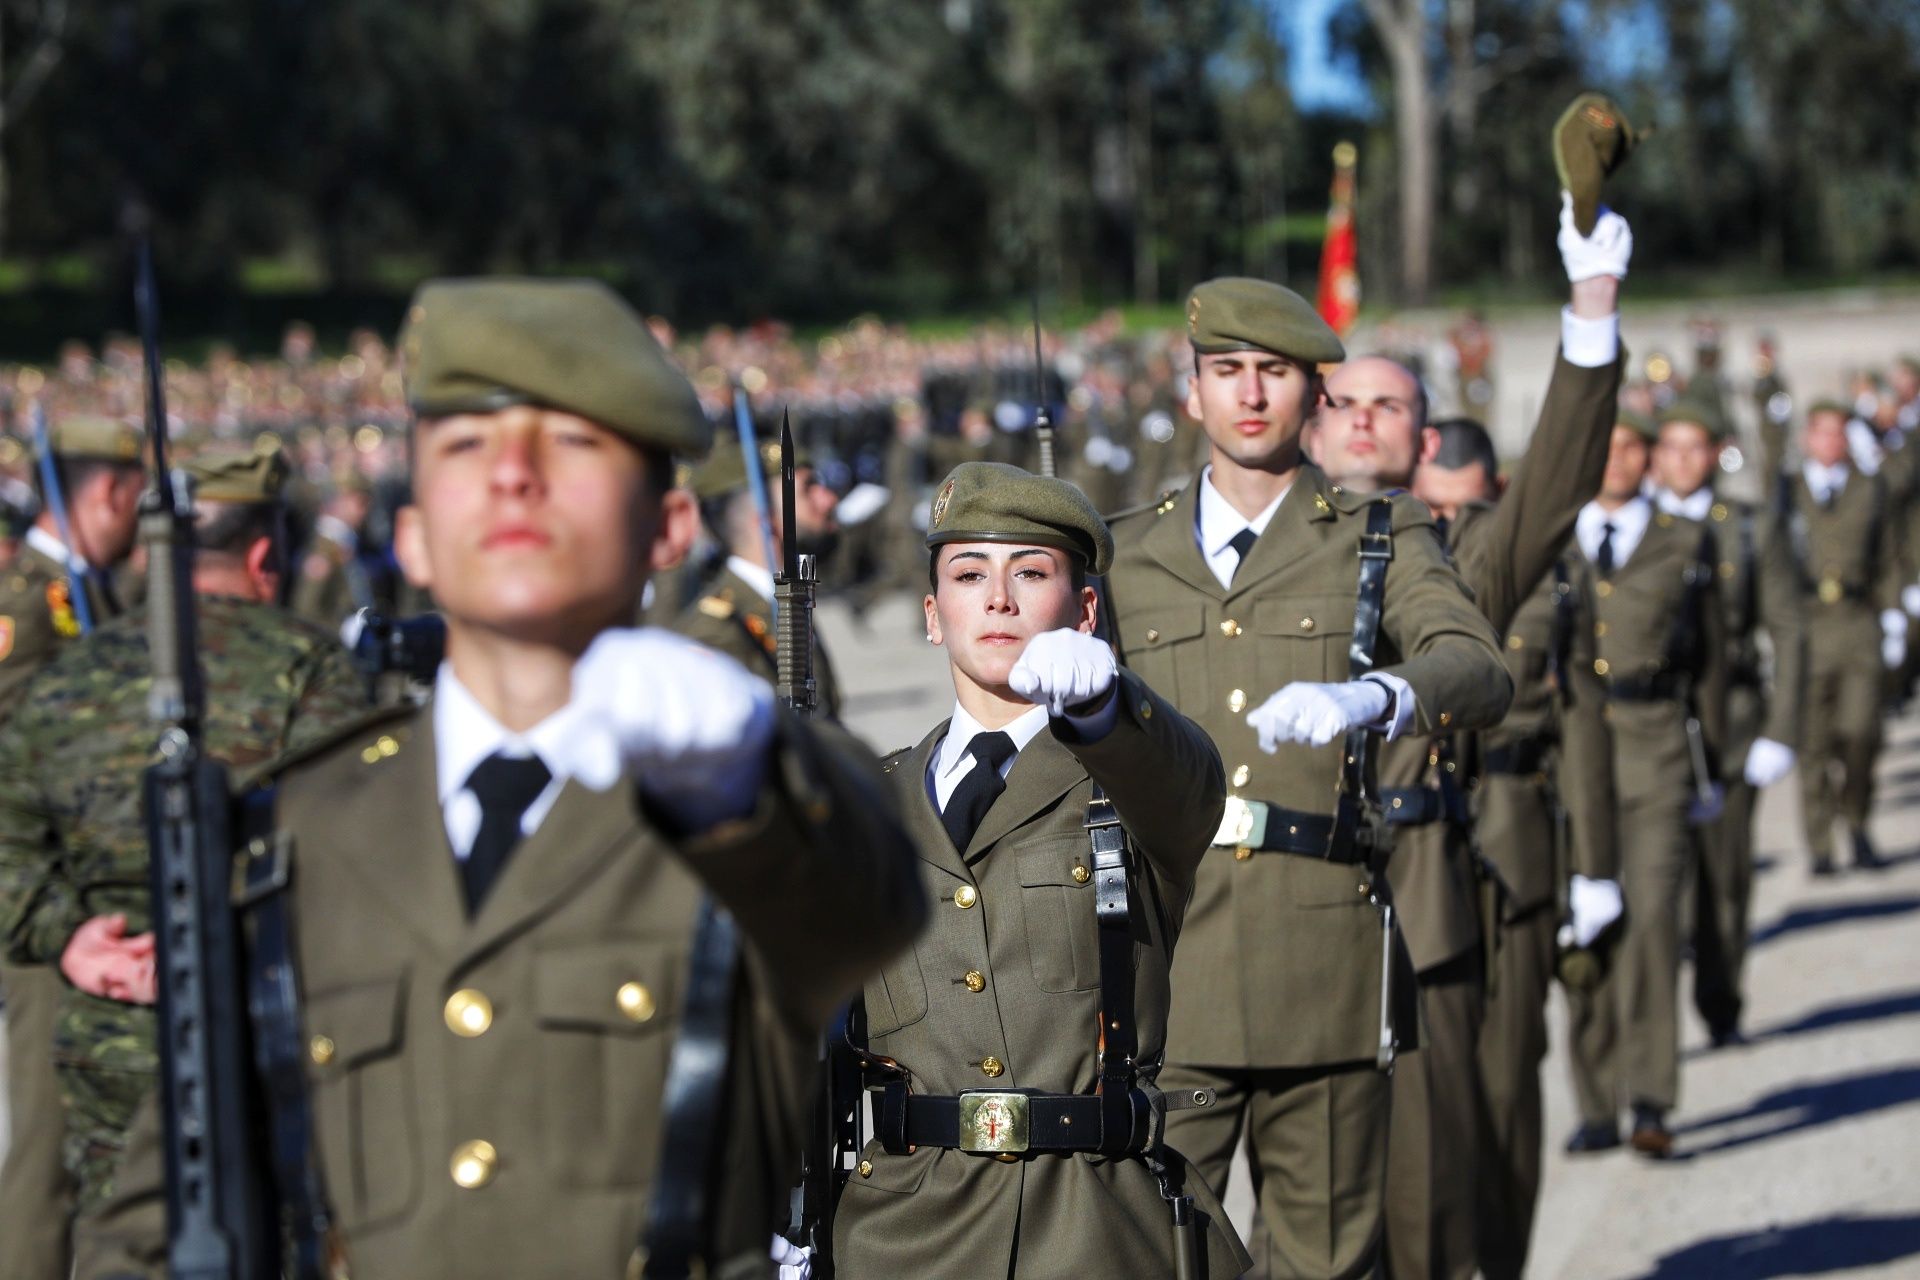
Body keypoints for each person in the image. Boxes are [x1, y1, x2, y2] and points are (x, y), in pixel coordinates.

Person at [73, 277, 928, 1280]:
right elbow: (154, 1220)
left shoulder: (738, 808)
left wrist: (749, 770)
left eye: (572, 442)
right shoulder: (301, 827)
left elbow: (873, 903)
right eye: (466, 446)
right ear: (413, 537)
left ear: (669, 527)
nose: (514, 474)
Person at [1101, 276, 1512, 1279]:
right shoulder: (1121, 550)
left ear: (1313, 396)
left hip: (1321, 965)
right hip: (1169, 967)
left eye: (1275, 372)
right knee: (1155, 1253)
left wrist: (1378, 696)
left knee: (1327, 1259)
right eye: (1226, 371)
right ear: (1189, 392)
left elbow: (1479, 667)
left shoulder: (1379, 531)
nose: (1250, 394)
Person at [1310, 191, 1629, 1279]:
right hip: (1272, 909)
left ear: (1423, 429)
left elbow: (1553, 483)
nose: (1363, 420)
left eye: (1388, 405)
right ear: (1310, 426)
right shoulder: (1251, 558)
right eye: (1342, 401)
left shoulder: (1457, 561)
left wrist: (1590, 308)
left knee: (1429, 1183)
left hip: (1422, 895)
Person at [833, 460, 1248, 1277]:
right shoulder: (870, 803)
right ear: (932, 613)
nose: (997, 599)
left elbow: (1188, 778)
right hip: (903, 1235)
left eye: (1030, 572)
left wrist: (1106, 709)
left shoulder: (1128, 782)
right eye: (967, 574)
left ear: (1085, 609)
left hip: (1093, 1225)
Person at [0, 447, 370, 1240]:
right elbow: (353, 846)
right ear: (266, 557)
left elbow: (9, 840)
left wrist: (68, 936)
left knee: (115, 1236)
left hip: (108, 1033)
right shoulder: (311, 667)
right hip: (266, 1025)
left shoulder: (75, 674)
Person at [1413, 418, 1620, 1280]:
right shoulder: (1380, 556)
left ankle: (1499, 1262)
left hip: (1516, 830)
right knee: (1417, 1095)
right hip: (1413, 842)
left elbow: (1582, 722)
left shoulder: (1548, 572)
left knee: (1503, 1077)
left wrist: (1596, 865)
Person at [0, 414, 145, 1280]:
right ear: (111, 493)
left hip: (96, 897)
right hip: (45, 902)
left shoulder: (93, 593)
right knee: (46, 1154)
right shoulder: (29, 602)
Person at [1563, 409, 1728, 1159]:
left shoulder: (1684, 542)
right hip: (1571, 752)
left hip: (1655, 743)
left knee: (1655, 918)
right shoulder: (1554, 542)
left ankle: (1652, 1099)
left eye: (1632, 447)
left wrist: (1714, 761)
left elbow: (1714, 663)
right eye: (1606, 446)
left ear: (1651, 458)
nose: (1617, 459)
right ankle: (1597, 1101)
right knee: (1589, 929)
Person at [1647, 399, 1806, 1045]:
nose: (1681, 461)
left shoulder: (1747, 527)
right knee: (1659, 881)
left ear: (1716, 454)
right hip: (1651, 722)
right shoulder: (1636, 525)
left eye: (1695, 447)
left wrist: (1782, 731)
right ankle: (1651, 1024)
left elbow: (1790, 631)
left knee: (1725, 878)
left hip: (1732, 727)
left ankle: (1720, 1000)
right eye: (1670, 448)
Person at [1788, 400, 1908, 874]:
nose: (1831, 443)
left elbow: (1890, 557)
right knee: (1813, 743)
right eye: (1822, 433)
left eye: (1839, 434)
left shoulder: (1869, 488)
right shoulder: (1787, 492)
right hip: (1808, 625)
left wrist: (1894, 615)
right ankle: (1820, 843)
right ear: (1807, 439)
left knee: (1862, 733)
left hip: (1858, 623)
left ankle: (1856, 821)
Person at [671, 435, 844, 716]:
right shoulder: (715, 634)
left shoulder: (786, 599)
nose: (828, 499)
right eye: (808, 489)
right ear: (764, 518)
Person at [289, 468, 376, 630]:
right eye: (360, 502)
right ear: (340, 501)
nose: (365, 510)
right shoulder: (323, 549)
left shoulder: (348, 541)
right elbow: (307, 612)